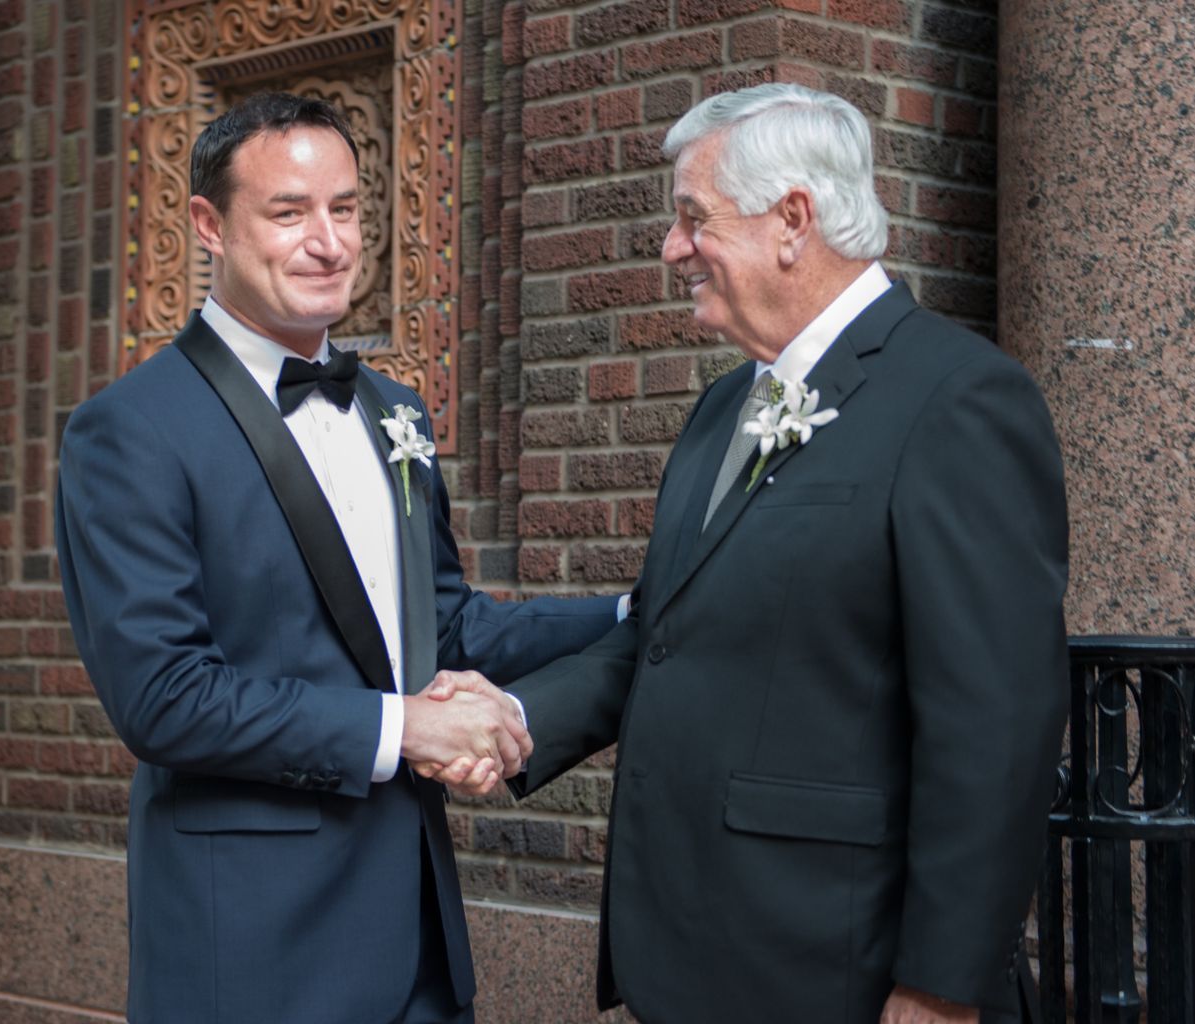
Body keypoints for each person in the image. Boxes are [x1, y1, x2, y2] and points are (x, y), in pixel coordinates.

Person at [427, 84, 1069, 1024]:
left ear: (791, 220)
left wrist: (938, 986)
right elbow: (664, 630)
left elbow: (996, 725)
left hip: (839, 963)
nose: (670, 246)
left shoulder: (960, 401)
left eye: (692, 218)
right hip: (693, 951)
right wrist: (518, 715)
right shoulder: (720, 411)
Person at [54, 92, 620, 1024]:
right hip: (251, 948)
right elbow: (164, 699)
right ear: (208, 224)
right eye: (288, 213)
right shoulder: (128, 431)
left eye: (346, 209)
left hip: (420, 940)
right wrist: (403, 730)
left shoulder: (394, 411)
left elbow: (443, 625)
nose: (329, 242)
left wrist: (635, 613)